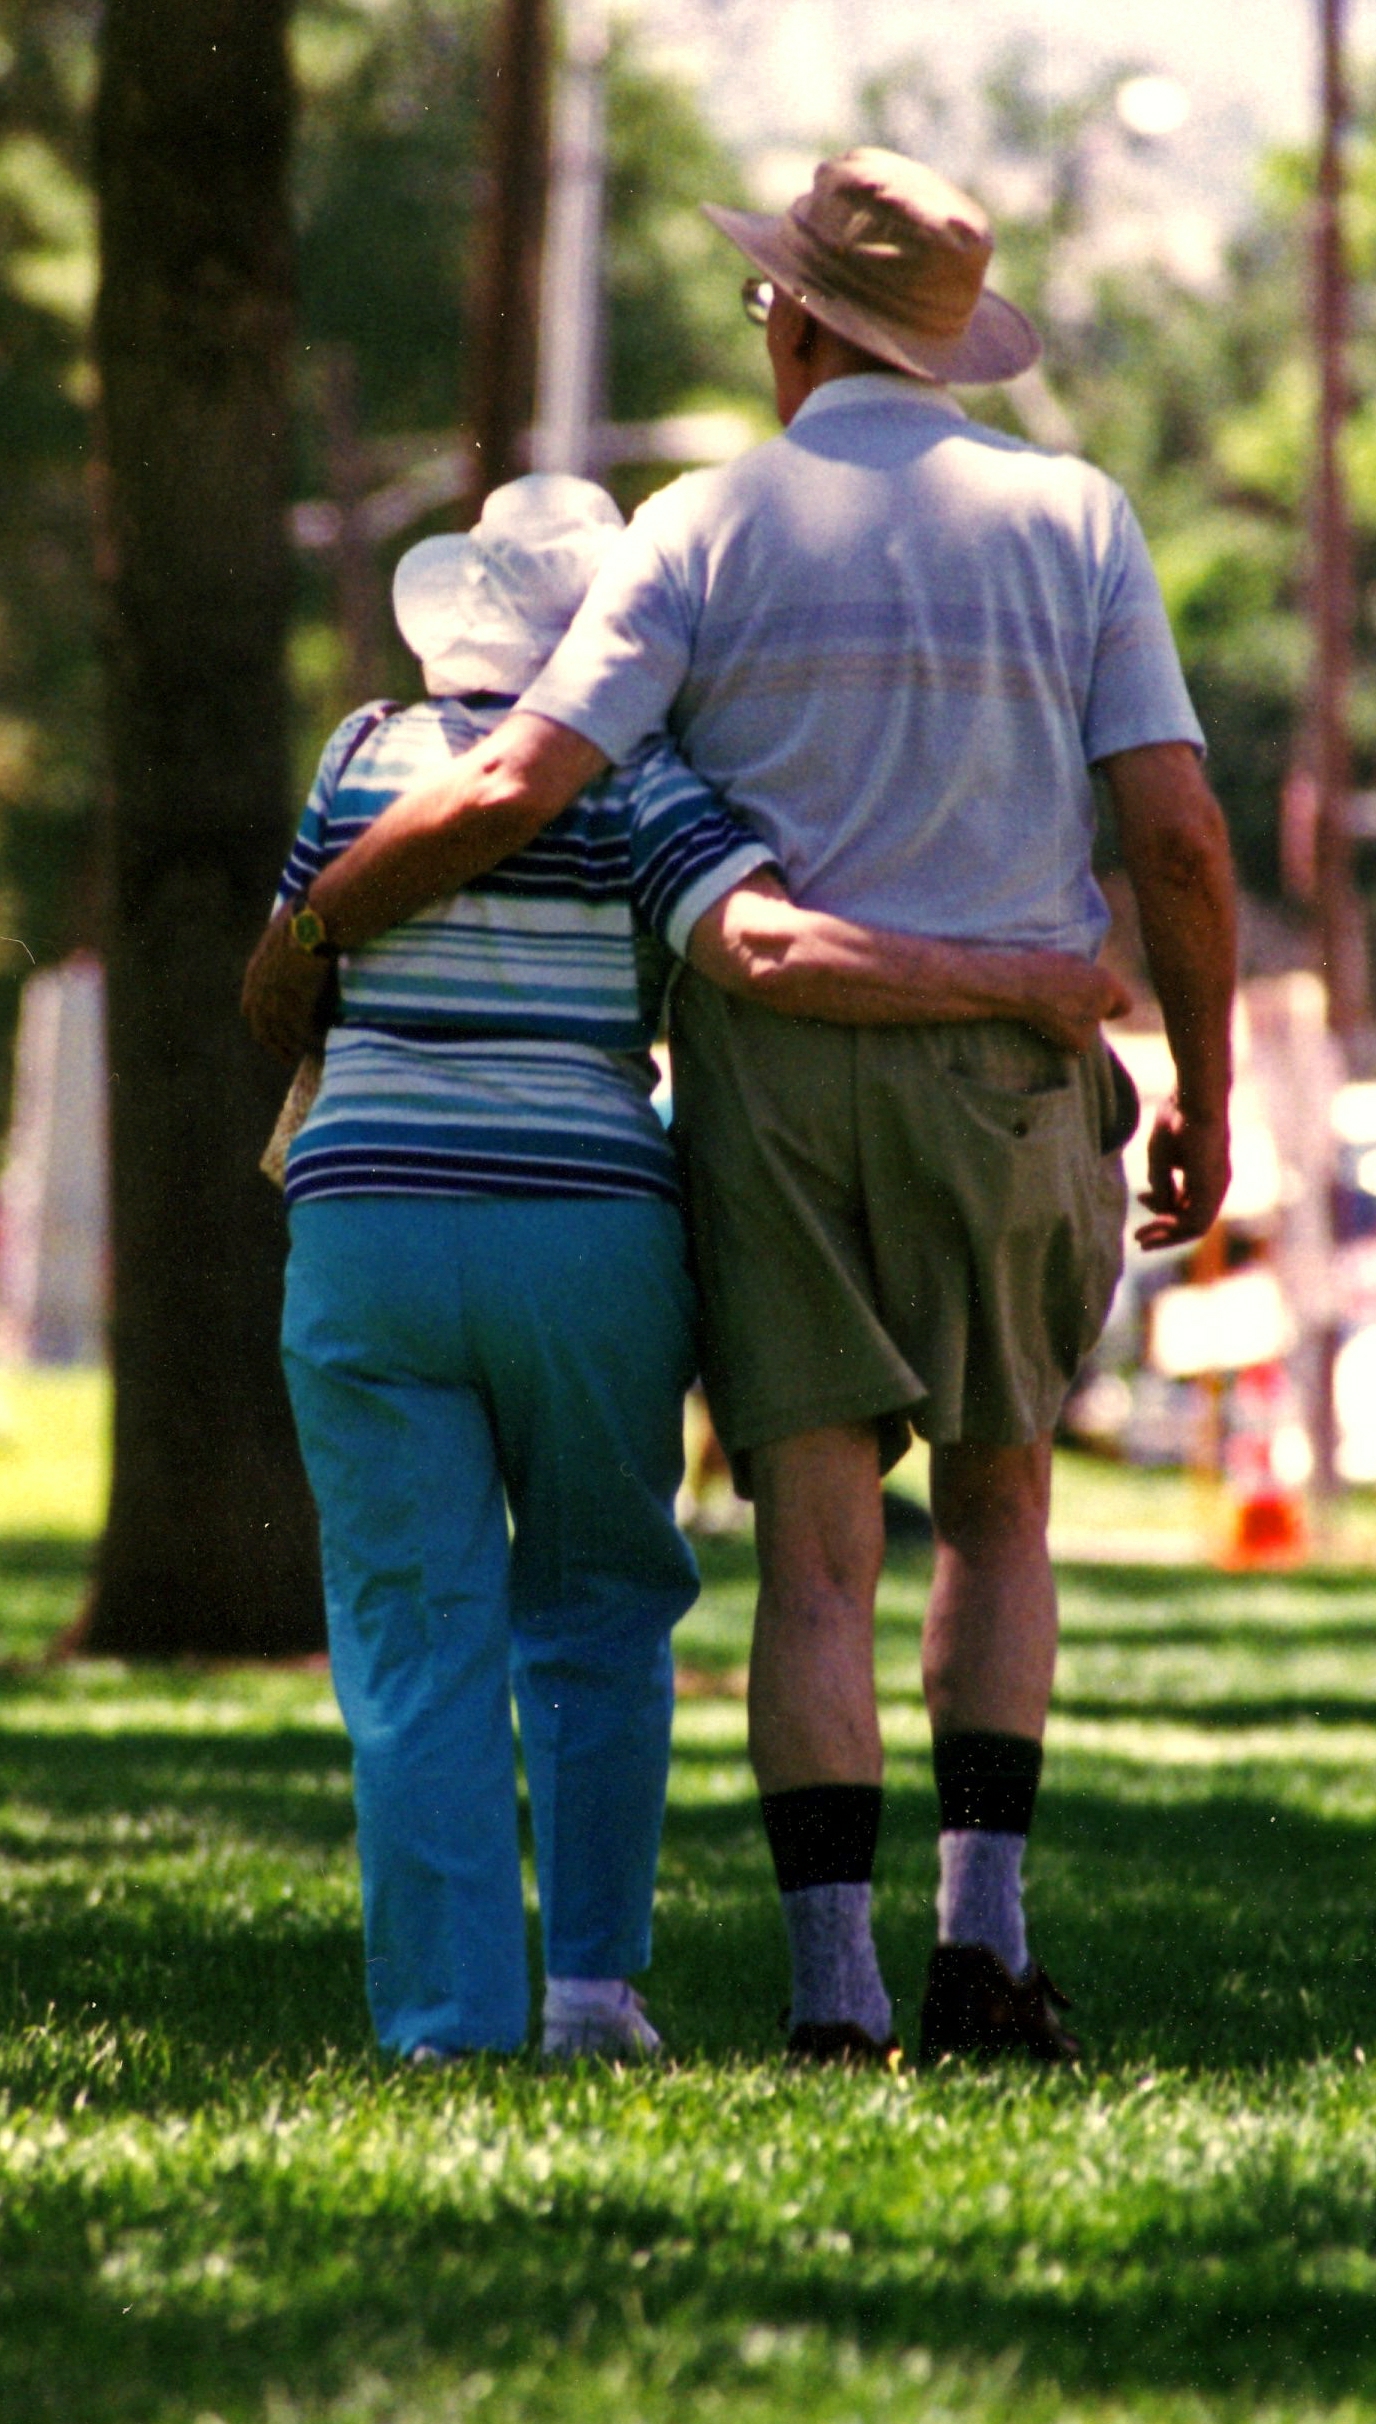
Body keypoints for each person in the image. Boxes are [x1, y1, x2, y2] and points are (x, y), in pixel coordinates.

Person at [246, 148, 1233, 2069]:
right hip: (1012, 1081)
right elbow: (1181, 836)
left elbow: (528, 775)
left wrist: (312, 928)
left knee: (814, 1547)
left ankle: (829, 1990)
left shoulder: (699, 525)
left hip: (767, 1097)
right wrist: (1200, 1077)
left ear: (796, 320)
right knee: (1007, 1506)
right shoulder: (1078, 517)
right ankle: (984, 1943)